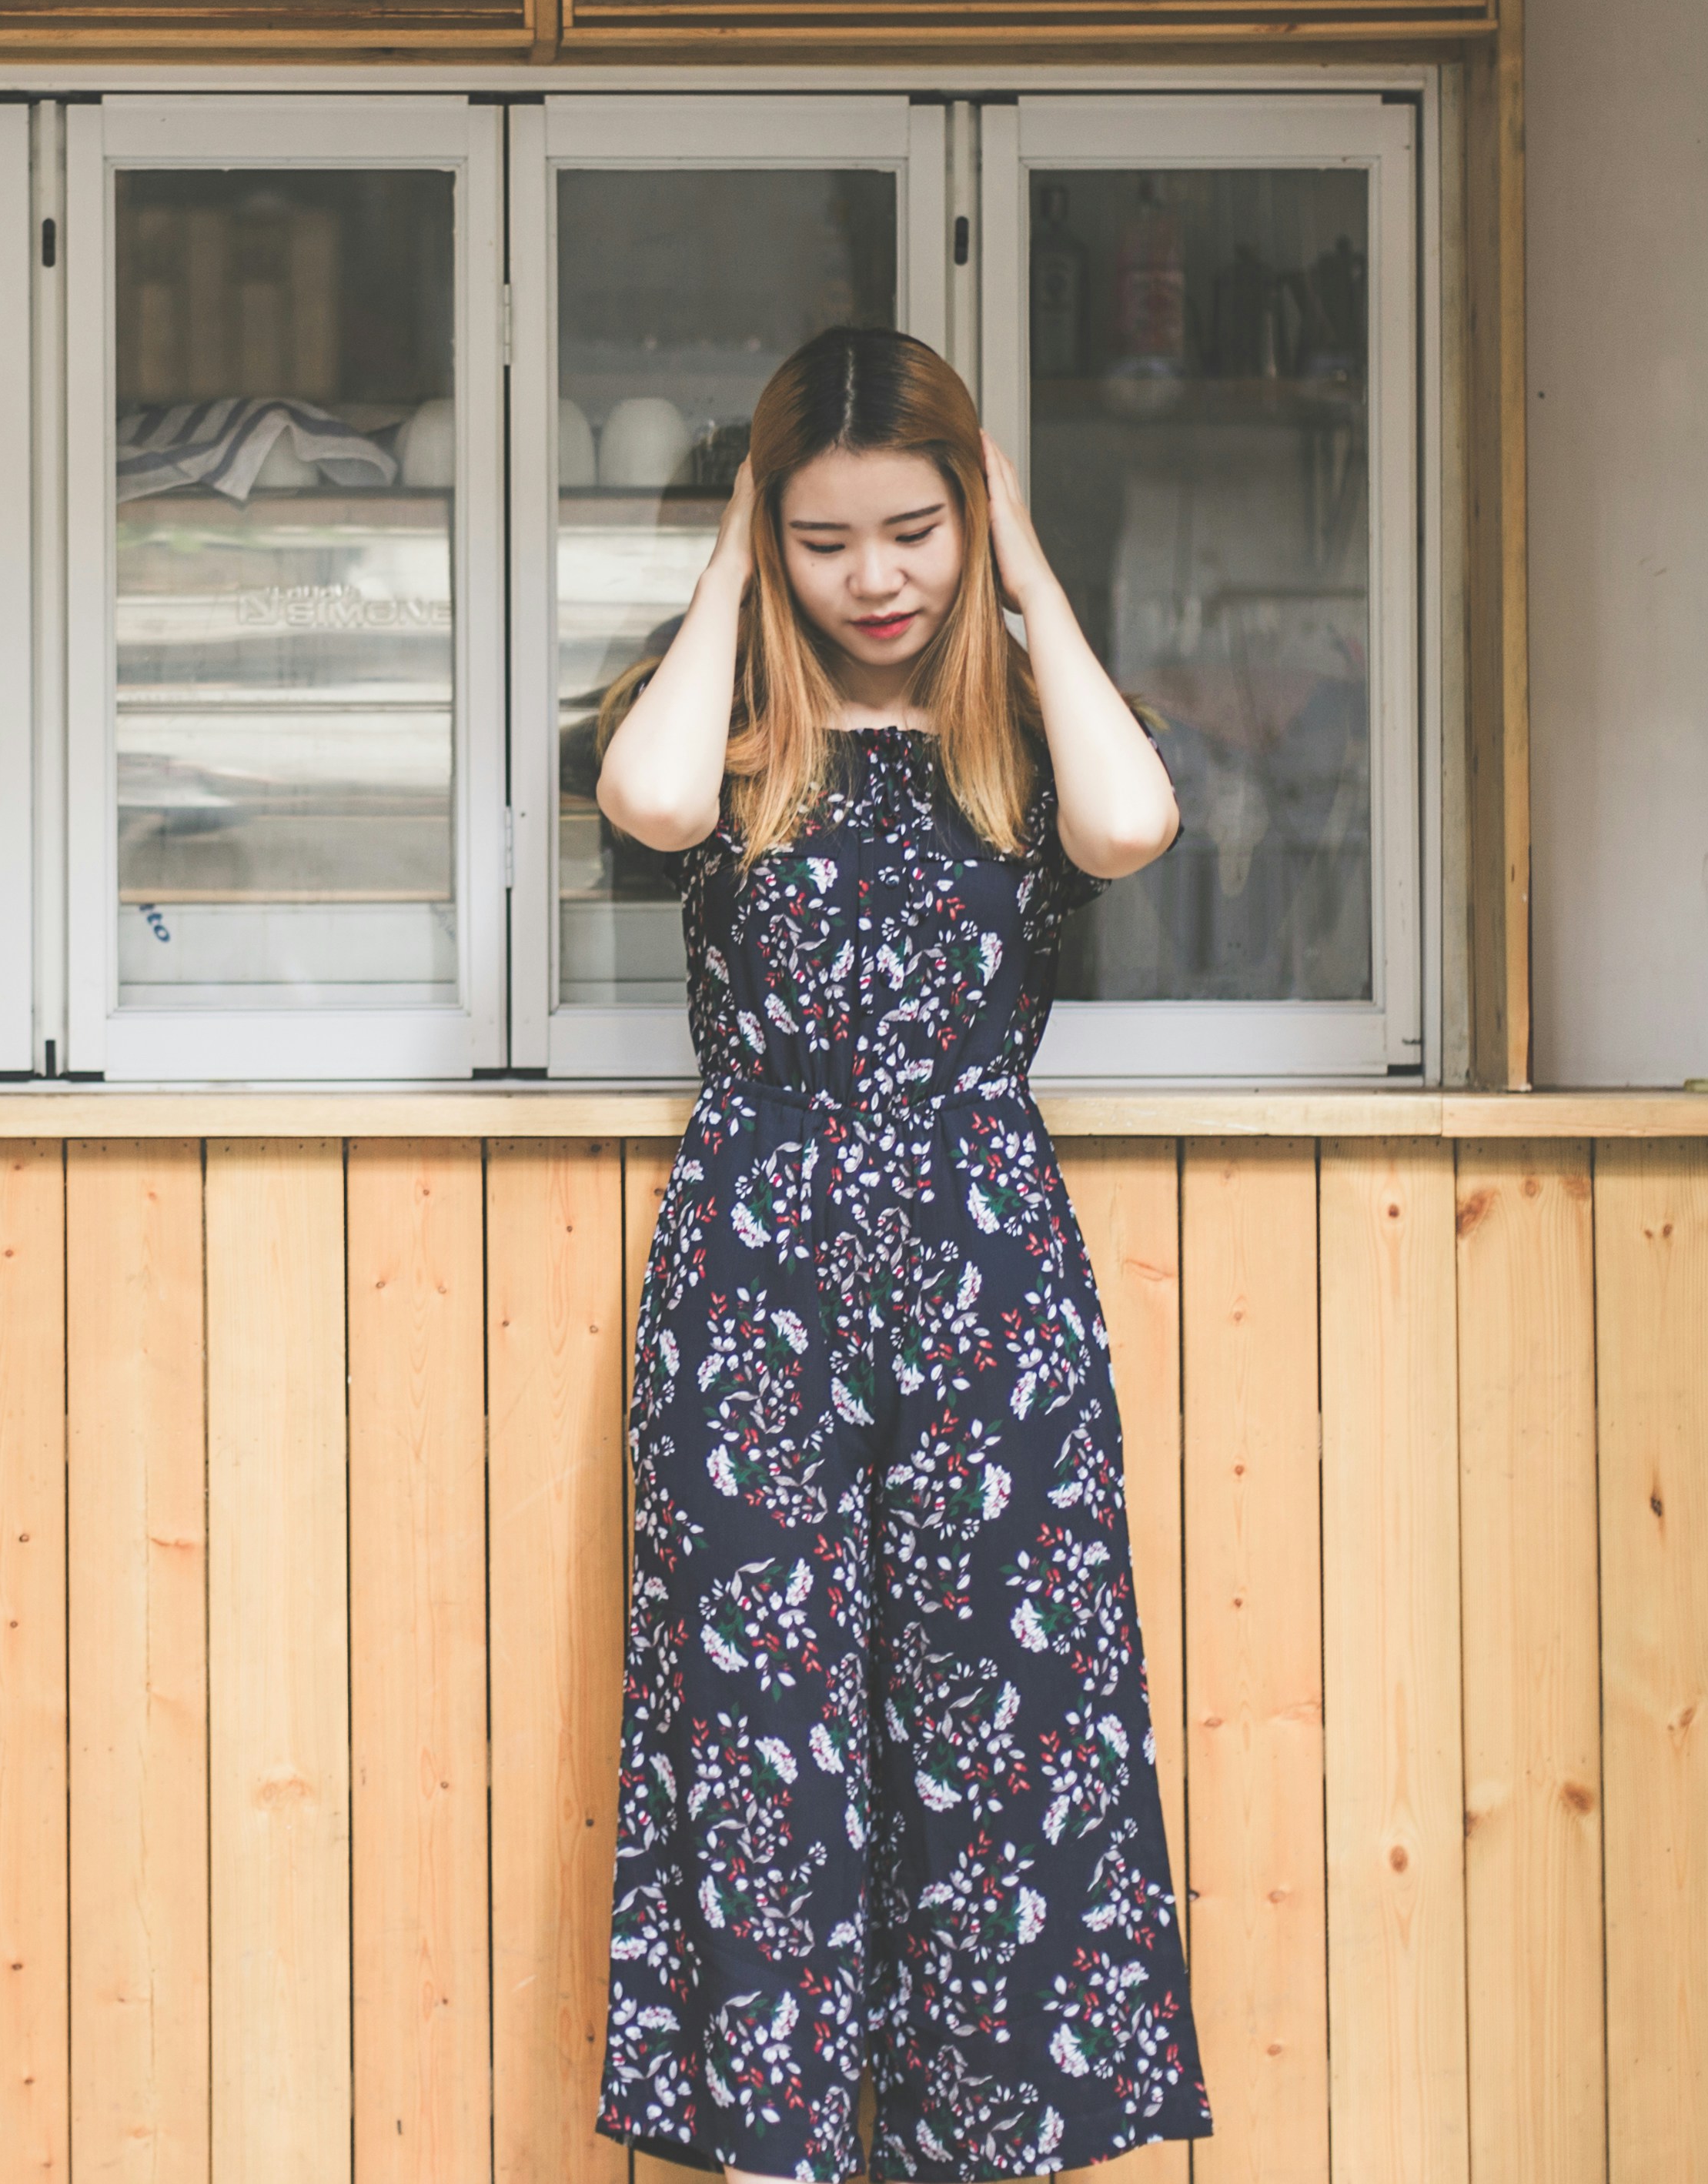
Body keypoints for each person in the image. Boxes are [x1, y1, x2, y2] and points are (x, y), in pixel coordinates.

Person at [590, 328, 1214, 2181]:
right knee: (760, 1738)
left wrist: (1023, 575)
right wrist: (727, 566)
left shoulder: (1024, 734)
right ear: (766, 538)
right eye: (823, 538)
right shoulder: (726, 731)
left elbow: (1133, 822)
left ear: (973, 514)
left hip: (984, 1279)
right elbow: (649, 804)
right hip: (756, 1282)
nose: (874, 577)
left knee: (1006, 1737)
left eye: (914, 531)